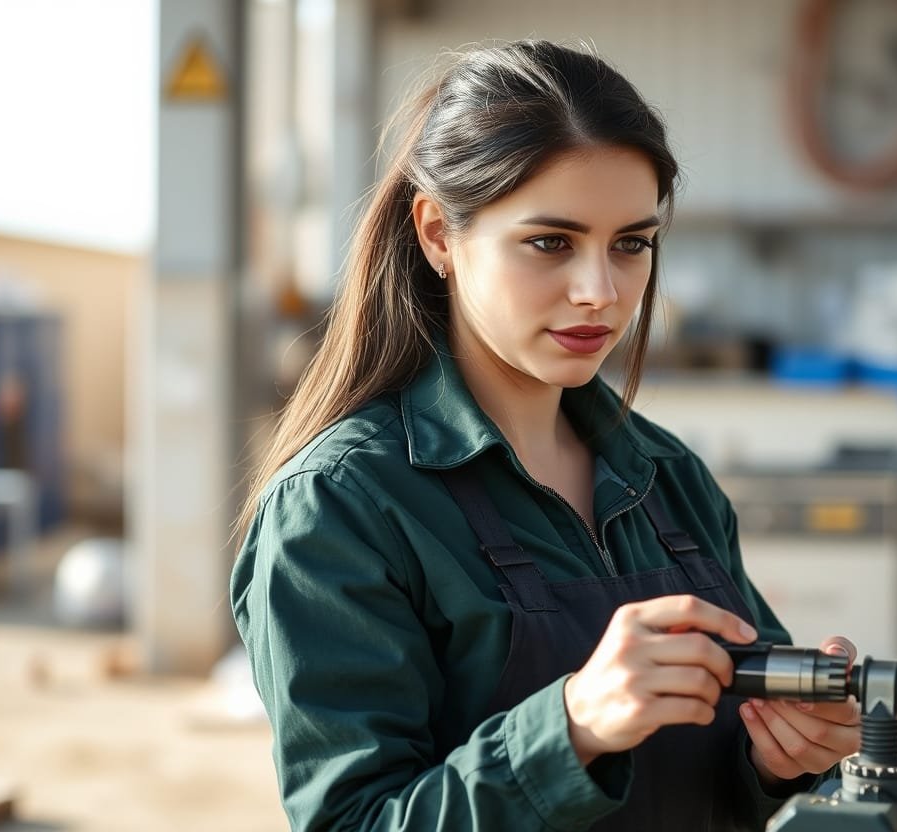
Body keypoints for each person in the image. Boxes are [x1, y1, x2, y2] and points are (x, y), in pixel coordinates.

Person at [231, 40, 861, 832]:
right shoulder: (341, 508)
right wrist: (570, 728)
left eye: (631, 244)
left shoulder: (668, 477)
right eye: (551, 242)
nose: (600, 291)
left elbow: (739, 775)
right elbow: (353, 820)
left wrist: (781, 760)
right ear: (438, 234)